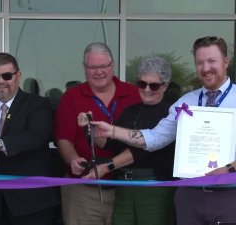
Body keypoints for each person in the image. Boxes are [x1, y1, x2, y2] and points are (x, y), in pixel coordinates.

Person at [88, 36, 236, 225]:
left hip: (229, 195)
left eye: (211, 61)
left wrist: (229, 169)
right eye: (200, 62)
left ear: (225, 62)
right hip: (189, 196)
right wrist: (112, 131)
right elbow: (155, 138)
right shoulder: (186, 102)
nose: (205, 68)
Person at [0, 52, 59, 225]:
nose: (1, 81)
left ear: (18, 75)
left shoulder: (38, 105)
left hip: (32, 206)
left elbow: (35, 137)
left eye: (7, 75)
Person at [79, 56, 176, 225]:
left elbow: (142, 149)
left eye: (153, 85)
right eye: (141, 84)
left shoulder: (170, 113)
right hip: (123, 184)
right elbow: (110, 145)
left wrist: (107, 167)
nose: (146, 89)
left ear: (165, 86)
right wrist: (90, 129)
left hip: (153, 187)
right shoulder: (130, 111)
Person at [54, 42, 141, 225]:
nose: (99, 72)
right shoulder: (72, 97)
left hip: (127, 187)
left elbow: (147, 139)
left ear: (113, 66)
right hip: (84, 188)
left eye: (103, 66)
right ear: (85, 69)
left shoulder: (134, 93)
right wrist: (73, 160)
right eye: (92, 67)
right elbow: (63, 138)